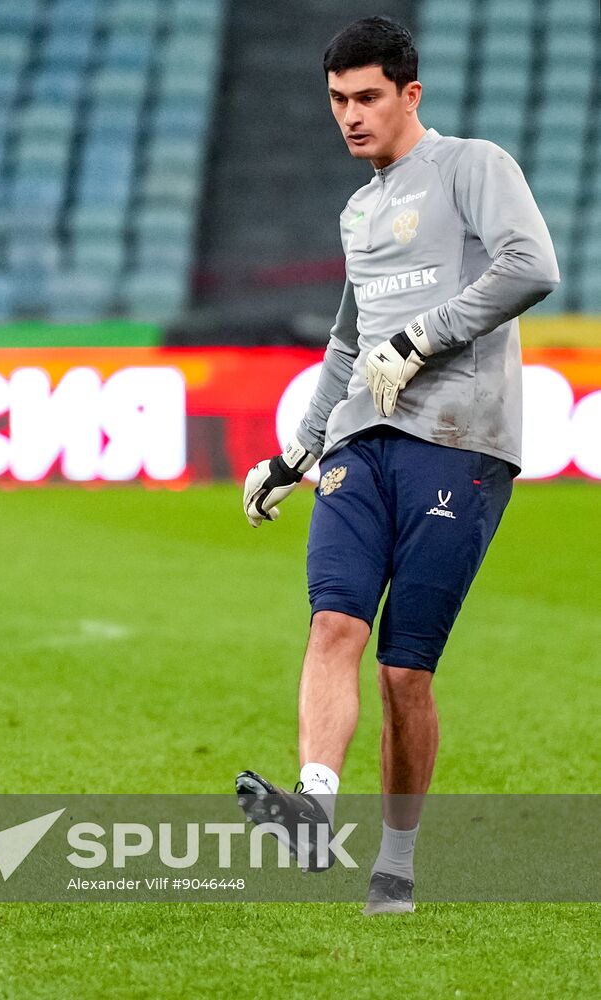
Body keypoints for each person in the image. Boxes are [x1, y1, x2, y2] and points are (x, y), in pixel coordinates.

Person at [233, 16, 558, 915]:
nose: (350, 116)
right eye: (337, 100)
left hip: (457, 445)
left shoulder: (470, 167)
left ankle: (399, 861)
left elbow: (533, 265)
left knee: (404, 675)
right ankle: (313, 809)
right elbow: (347, 339)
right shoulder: (358, 208)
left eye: (366, 97)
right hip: (358, 445)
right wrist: (296, 451)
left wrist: (423, 336)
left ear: (409, 95)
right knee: (333, 624)